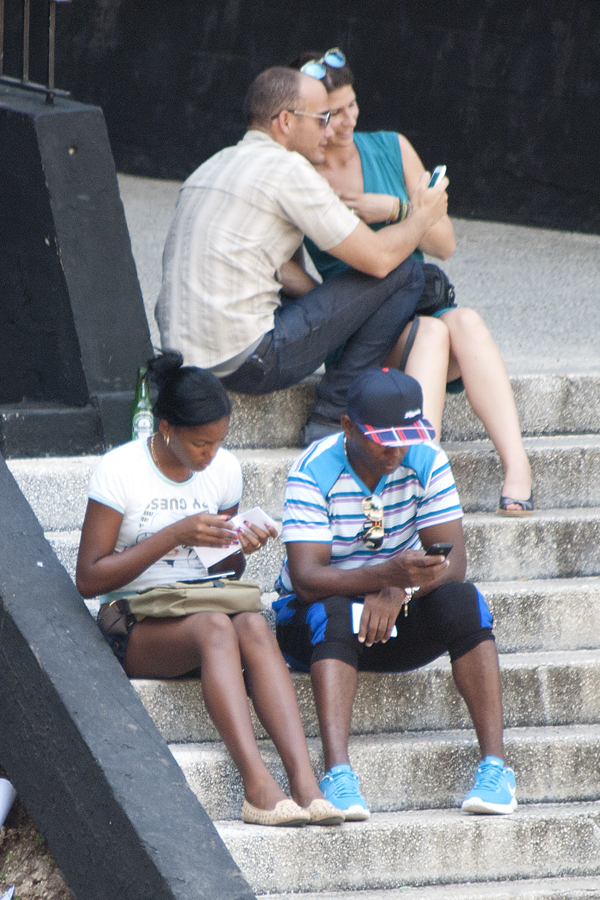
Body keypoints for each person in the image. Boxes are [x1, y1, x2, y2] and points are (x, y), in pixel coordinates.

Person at [76, 351, 344, 827]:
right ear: (165, 429)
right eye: (201, 444)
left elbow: (225, 570)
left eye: (219, 442)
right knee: (218, 627)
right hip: (136, 621)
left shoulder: (223, 470)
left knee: (254, 626)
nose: (211, 455)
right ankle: (258, 787)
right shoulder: (119, 471)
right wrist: (174, 534)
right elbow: (89, 577)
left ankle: (305, 783)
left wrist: (242, 544)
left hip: (203, 600)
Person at [284, 49, 532, 516]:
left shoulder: (391, 147)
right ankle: (422, 469)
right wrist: (335, 303)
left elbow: (445, 242)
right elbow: (284, 266)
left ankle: (518, 467)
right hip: (363, 327)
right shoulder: (298, 172)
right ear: (307, 116)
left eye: (351, 106)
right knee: (436, 332)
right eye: (331, 114)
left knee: (466, 322)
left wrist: (395, 209)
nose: (345, 121)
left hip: (416, 302)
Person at [155, 65, 451, 443]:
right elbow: (378, 259)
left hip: (183, 359)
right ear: (285, 121)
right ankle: (332, 414)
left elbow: (276, 269)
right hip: (245, 360)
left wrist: (345, 310)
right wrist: (421, 214)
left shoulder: (212, 165)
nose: (329, 132)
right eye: (322, 119)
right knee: (407, 273)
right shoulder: (288, 169)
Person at [273, 366, 518, 819]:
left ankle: (496, 768)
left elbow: (454, 563)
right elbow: (306, 578)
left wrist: (398, 588)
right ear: (347, 426)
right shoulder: (313, 469)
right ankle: (338, 774)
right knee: (328, 609)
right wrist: (386, 574)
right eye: (381, 440)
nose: (396, 450)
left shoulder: (425, 457)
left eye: (405, 437)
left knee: (465, 602)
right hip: (315, 625)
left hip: (392, 613)